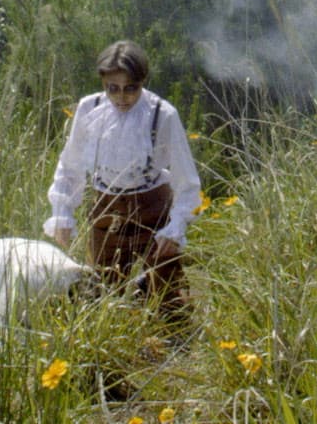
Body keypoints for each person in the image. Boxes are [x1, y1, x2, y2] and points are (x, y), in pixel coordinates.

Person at [45, 40, 201, 321]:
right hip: (107, 209)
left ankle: (175, 346)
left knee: (167, 295)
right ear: (104, 84)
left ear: (142, 82)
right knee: (104, 294)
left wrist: (176, 227)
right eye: (112, 88)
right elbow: (70, 165)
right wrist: (62, 214)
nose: (121, 97)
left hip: (153, 208)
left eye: (131, 87)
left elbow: (187, 180)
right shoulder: (89, 108)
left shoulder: (161, 114)